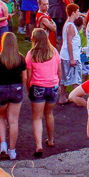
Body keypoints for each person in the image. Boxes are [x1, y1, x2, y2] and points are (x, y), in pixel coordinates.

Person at [0, 32, 27, 160]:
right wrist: (21, 86)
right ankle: (12, 150)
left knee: (1, 118)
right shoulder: (20, 58)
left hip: (0, 90)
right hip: (16, 88)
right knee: (13, 121)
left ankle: (3, 144)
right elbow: (24, 77)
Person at [26, 27, 61, 158]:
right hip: (53, 85)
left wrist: (28, 87)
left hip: (38, 86)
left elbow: (29, 75)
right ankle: (51, 140)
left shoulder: (31, 54)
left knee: (37, 117)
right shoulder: (54, 52)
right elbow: (59, 70)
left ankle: (39, 145)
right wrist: (58, 82)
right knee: (49, 114)